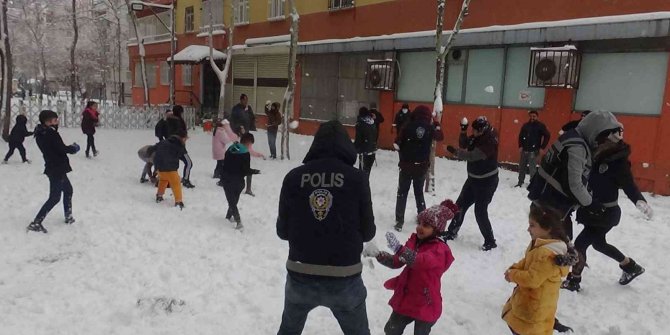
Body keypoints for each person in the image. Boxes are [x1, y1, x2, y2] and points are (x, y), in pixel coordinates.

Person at [276, 120, 376, 335]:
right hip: (345, 277)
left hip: (300, 273)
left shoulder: (293, 178)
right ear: (346, 145)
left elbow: (282, 231)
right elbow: (368, 232)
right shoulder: (357, 179)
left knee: (289, 330)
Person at [561, 137, 652, 292]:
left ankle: (574, 281)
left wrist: (639, 200)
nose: (598, 143)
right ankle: (630, 266)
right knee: (599, 243)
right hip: (593, 211)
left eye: (602, 140)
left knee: (580, 244)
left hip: (605, 214)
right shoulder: (594, 156)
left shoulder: (618, 162)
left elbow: (629, 185)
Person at [528, 110, 623, 240]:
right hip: (551, 206)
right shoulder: (577, 147)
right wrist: (591, 204)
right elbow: (573, 183)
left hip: (546, 202)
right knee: (553, 248)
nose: (600, 144)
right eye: (601, 139)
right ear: (594, 131)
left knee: (550, 245)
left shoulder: (573, 137)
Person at [374, 200, 457, 335]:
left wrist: (399, 249)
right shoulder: (414, 241)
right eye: (419, 223)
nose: (420, 227)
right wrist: (380, 256)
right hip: (408, 297)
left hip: (426, 300)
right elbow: (398, 261)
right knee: (391, 329)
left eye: (426, 225)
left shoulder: (439, 250)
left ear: (436, 229)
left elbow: (420, 262)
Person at [502, 205, 575, 335]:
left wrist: (513, 275)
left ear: (547, 229)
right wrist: (514, 268)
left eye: (532, 225)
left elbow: (532, 279)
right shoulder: (539, 244)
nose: (528, 229)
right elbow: (527, 261)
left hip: (533, 310)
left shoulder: (547, 254)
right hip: (530, 305)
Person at [444, 116, 500, 251]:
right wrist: (463, 131)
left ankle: (490, 241)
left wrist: (456, 152)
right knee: (459, 206)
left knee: (480, 211)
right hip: (473, 179)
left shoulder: (490, 140)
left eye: (475, 131)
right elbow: (465, 144)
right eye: (472, 130)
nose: (473, 133)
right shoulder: (478, 136)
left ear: (482, 130)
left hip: (487, 182)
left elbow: (472, 155)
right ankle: (452, 231)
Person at [27, 110, 80, 233]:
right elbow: (61, 149)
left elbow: (55, 148)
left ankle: (68, 216)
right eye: (55, 120)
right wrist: (73, 148)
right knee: (55, 197)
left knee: (68, 190)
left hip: (54, 166)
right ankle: (36, 222)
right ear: (47, 121)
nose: (57, 122)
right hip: (56, 168)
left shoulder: (41, 133)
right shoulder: (51, 134)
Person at [394, 105, 444, 232]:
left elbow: (397, 142)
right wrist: (437, 123)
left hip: (406, 165)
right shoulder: (429, 127)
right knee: (419, 193)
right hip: (421, 167)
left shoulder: (408, 125)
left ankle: (399, 221)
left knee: (402, 193)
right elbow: (440, 136)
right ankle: (423, 218)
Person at [221, 134, 260, 230]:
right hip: (239, 181)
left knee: (231, 201)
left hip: (227, 179)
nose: (250, 146)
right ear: (248, 142)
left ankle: (230, 217)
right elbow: (246, 170)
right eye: (250, 144)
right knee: (234, 200)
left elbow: (225, 163)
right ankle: (236, 220)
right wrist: (254, 171)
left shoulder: (231, 148)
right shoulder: (245, 153)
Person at [154, 128, 188, 210]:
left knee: (163, 180)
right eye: (185, 138)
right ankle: (178, 201)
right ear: (182, 137)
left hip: (160, 168)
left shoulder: (163, 142)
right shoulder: (178, 144)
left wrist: (156, 167)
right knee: (176, 183)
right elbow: (183, 156)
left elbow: (154, 149)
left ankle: (159, 195)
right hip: (171, 169)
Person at [516, 110, 550, 187]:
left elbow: (547, 136)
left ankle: (533, 184)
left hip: (534, 151)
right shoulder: (525, 125)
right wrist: (520, 146)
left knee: (532, 169)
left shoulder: (540, 126)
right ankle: (520, 182)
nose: (532, 118)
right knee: (522, 167)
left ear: (537, 117)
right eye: (531, 116)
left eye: (534, 116)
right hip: (524, 150)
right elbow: (520, 136)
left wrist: (542, 147)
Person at [169, 105, 195, 188]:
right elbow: (179, 132)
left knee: (172, 164)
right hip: (179, 146)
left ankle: (168, 179)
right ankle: (186, 180)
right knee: (189, 163)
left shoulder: (169, 120)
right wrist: (183, 136)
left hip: (171, 145)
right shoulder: (177, 121)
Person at [354, 107, 378, 177]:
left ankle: (362, 186)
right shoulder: (372, 122)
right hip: (372, 150)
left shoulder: (360, 124)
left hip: (364, 151)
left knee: (362, 173)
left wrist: (355, 148)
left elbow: (358, 139)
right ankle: (365, 185)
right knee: (367, 171)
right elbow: (375, 136)